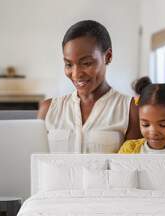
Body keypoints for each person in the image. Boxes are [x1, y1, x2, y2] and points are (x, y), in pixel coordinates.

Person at [38, 20, 140, 153]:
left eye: (86, 63)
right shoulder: (48, 110)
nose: (76, 74)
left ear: (108, 57)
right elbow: (36, 163)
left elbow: (132, 167)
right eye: (69, 65)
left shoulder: (129, 109)